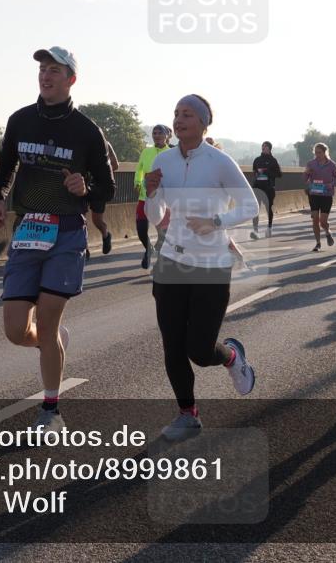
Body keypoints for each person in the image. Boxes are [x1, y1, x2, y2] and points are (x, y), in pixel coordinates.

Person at [0, 47, 115, 436]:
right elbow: (6, 163)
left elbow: (106, 186)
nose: (46, 76)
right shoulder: (20, 119)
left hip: (65, 231)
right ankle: (53, 342)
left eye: (55, 70)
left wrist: (86, 186)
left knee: (46, 322)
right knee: (15, 330)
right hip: (28, 228)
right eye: (43, 69)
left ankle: (50, 408)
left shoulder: (86, 130)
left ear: (71, 79)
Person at [143, 94, 258, 441]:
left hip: (211, 265)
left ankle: (231, 356)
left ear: (204, 123)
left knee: (199, 349)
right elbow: (155, 218)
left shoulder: (219, 162)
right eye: (176, 114)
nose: (179, 120)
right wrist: (150, 195)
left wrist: (216, 221)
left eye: (187, 114)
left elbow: (251, 204)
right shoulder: (163, 160)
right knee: (172, 345)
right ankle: (187, 414)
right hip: (172, 263)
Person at [134, 126, 172, 269]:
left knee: (163, 233)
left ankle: (160, 262)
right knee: (141, 229)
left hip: (163, 200)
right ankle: (148, 248)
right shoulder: (146, 151)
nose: (156, 135)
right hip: (145, 197)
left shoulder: (171, 153)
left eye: (159, 133)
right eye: (154, 133)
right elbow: (139, 169)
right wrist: (137, 182)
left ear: (167, 136)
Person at [85, 138, 118, 259]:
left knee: (96, 220)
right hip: (82, 183)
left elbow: (115, 165)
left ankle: (105, 235)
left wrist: (101, 172)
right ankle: (84, 247)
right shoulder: (78, 142)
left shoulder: (105, 144)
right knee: (80, 216)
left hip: (99, 187)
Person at [304, 143, 336, 252]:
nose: (317, 155)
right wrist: (306, 173)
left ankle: (328, 232)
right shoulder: (311, 164)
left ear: (325, 152)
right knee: (315, 218)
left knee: (323, 221)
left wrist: (331, 184)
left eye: (319, 152)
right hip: (314, 194)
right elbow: (305, 178)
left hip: (326, 195)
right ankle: (318, 243)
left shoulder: (331, 164)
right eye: (316, 152)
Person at [250, 141, 282, 239]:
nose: (263, 147)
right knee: (255, 209)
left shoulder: (273, 161)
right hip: (258, 187)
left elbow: (279, 174)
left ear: (269, 148)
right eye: (262, 146)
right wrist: (257, 173)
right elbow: (254, 171)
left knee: (269, 209)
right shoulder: (257, 160)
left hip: (268, 188)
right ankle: (255, 231)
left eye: (265, 146)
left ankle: (269, 228)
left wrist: (268, 172)